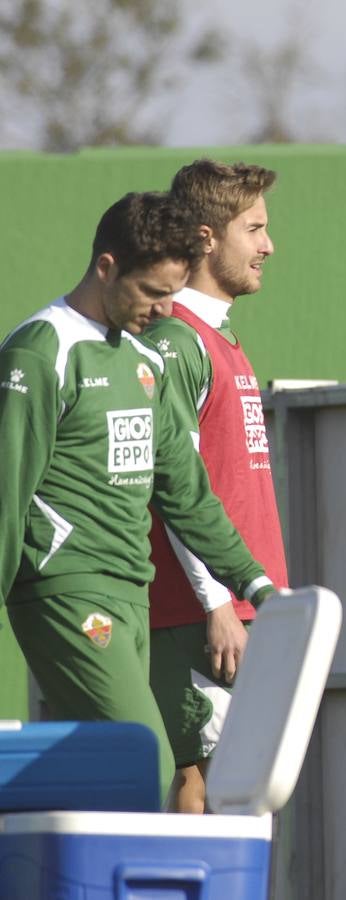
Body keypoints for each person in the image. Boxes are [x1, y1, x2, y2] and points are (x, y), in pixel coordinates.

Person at [0, 191, 278, 802]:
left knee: (100, 768)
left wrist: (255, 584)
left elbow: (188, 492)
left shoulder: (144, 362)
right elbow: (5, 500)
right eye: (152, 292)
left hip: (134, 593)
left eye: (173, 294)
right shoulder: (41, 352)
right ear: (106, 268)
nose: (163, 309)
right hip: (64, 590)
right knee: (145, 760)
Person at [143, 159, 287, 814]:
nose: (268, 246)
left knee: (240, 786)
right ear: (206, 237)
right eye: (254, 229)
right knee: (201, 778)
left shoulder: (223, 341)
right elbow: (176, 488)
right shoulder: (178, 341)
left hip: (242, 609)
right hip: (202, 616)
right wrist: (216, 604)